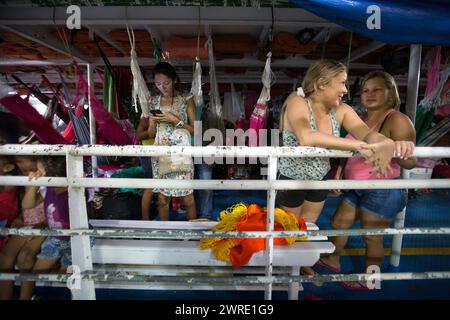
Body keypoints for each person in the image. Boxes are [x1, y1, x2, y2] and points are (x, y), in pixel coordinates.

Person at [317, 71, 416, 289]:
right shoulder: (361, 119)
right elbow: (351, 150)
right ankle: (332, 260)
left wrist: (403, 150)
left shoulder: (396, 119)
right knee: (339, 223)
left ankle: (371, 278)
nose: (369, 94)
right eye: (365, 91)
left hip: (383, 189)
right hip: (356, 186)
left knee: (372, 237)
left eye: (376, 89)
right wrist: (340, 172)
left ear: (390, 93)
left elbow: (411, 162)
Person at [277, 59, 396, 224]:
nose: (345, 90)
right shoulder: (297, 102)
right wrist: (359, 146)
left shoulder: (342, 110)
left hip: (320, 178)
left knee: (308, 227)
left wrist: (385, 142)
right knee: (287, 230)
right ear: (321, 83)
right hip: (292, 178)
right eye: (341, 83)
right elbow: (307, 137)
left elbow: (367, 134)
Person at [19, 156, 78, 300]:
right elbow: (26, 205)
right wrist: (34, 185)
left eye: (39, 171)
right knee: (33, 274)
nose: (37, 174)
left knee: (70, 276)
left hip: (75, 240)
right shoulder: (48, 189)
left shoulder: (75, 190)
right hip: (55, 239)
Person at [147, 62, 197, 221]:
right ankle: (165, 234)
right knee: (162, 200)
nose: (162, 87)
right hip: (161, 153)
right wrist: (154, 122)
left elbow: (196, 130)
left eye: (166, 83)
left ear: (174, 80)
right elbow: (150, 133)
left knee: (188, 198)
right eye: (158, 84)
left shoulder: (186, 99)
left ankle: (193, 236)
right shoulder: (153, 102)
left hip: (181, 153)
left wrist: (176, 120)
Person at [0, 156, 47, 300]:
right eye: (19, 162)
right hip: (26, 223)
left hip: (45, 225)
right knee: (4, 258)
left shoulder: (49, 179)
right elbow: (24, 204)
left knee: (25, 257)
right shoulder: (23, 178)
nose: (20, 164)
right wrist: (20, 218)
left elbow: (49, 207)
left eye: (31, 169)